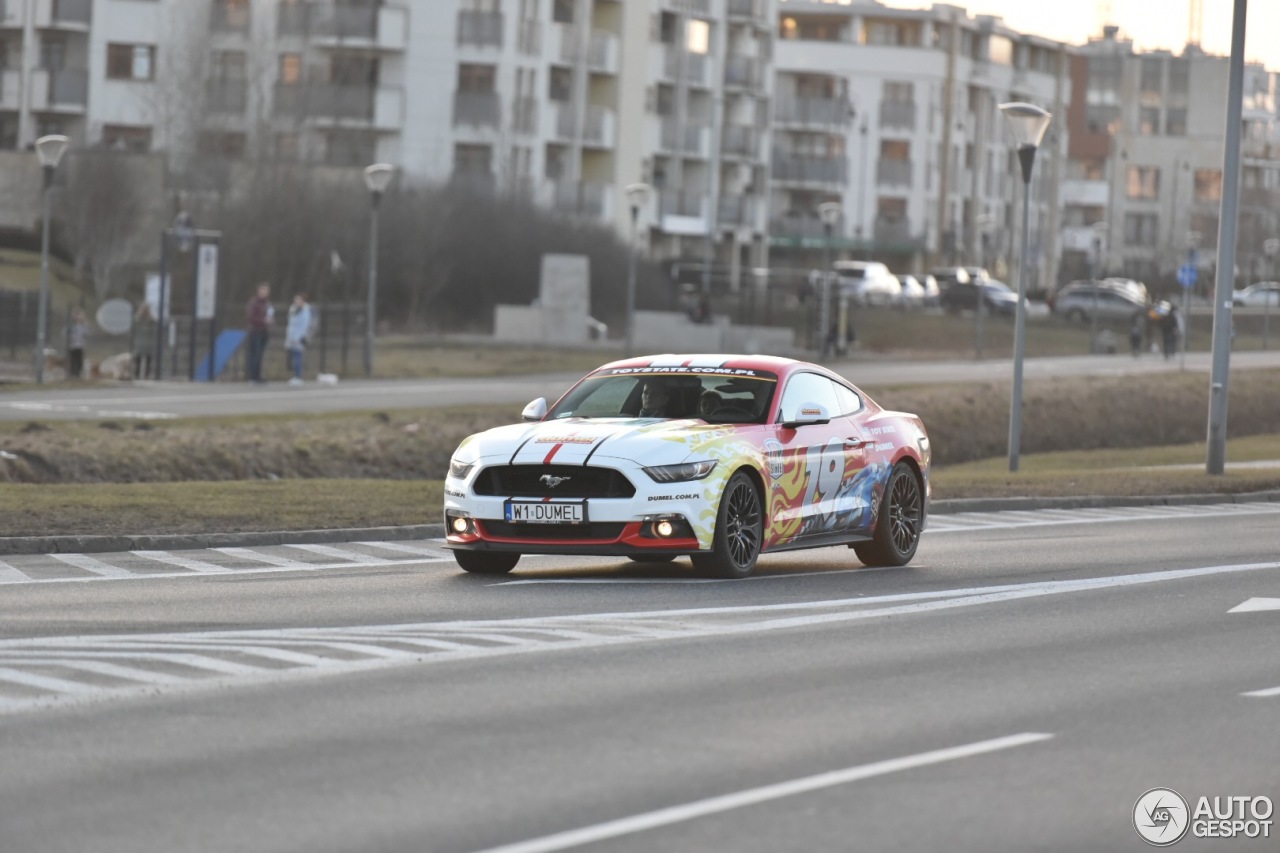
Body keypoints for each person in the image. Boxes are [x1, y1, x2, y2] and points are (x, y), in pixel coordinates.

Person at [245, 282, 273, 383]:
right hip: (255, 330)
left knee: (260, 354)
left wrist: (269, 321)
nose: (264, 292)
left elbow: (270, 315)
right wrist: (263, 321)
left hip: (264, 330)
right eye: (263, 290)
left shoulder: (267, 303)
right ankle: (253, 376)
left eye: (266, 290)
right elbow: (250, 317)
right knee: (255, 354)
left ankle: (258, 375)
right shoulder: (254, 303)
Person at [284, 292, 313, 386]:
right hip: (291, 336)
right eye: (296, 299)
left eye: (299, 300)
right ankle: (295, 375)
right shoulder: (293, 309)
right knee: (293, 357)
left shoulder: (305, 310)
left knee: (298, 356)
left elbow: (304, 325)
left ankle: (298, 376)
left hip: (299, 337)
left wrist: (299, 337)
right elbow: (290, 324)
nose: (297, 301)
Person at [132, 303, 158, 379]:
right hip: (139, 342)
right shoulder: (137, 319)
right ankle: (136, 374)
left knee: (148, 360)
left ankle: (146, 375)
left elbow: (154, 329)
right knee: (138, 360)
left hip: (148, 343)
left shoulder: (151, 320)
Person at [65, 308, 89, 379]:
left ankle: (78, 374)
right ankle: (72, 373)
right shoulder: (71, 326)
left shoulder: (83, 326)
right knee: (72, 360)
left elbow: (87, 332)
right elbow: (64, 332)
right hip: (72, 346)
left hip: (80, 346)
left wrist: (85, 322)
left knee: (79, 361)